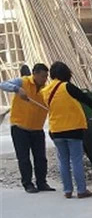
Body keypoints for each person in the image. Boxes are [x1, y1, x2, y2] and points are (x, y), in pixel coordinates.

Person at [41, 61, 92, 199]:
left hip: (56, 130)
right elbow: (85, 98)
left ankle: (67, 190)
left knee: (63, 161)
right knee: (76, 160)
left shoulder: (45, 91)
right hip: (73, 129)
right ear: (66, 73)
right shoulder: (67, 86)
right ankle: (81, 190)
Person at [0, 63, 56, 193]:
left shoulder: (46, 90)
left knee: (41, 158)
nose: (44, 79)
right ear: (35, 74)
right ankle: (28, 184)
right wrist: (17, 89)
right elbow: (3, 84)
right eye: (42, 76)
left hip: (37, 128)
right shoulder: (22, 82)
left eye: (46, 76)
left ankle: (42, 183)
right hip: (20, 128)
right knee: (24, 158)